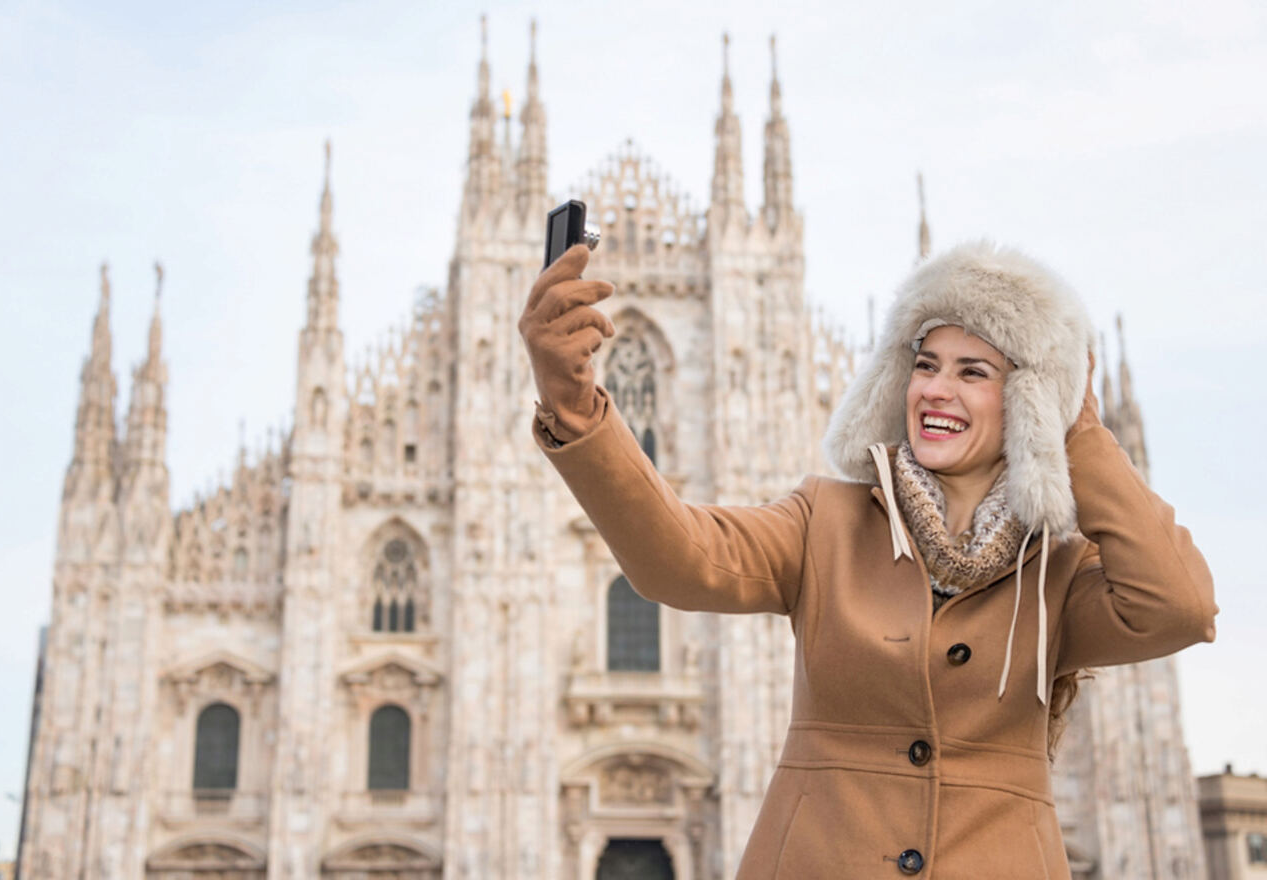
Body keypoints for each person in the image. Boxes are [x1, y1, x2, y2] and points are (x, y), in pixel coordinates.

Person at [518, 241, 1216, 878]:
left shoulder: (1055, 574)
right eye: (924, 366)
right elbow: (678, 558)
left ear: (1027, 400)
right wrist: (574, 405)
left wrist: (1079, 431)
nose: (936, 389)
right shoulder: (827, 521)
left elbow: (1177, 607)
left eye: (974, 372)